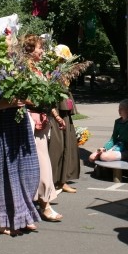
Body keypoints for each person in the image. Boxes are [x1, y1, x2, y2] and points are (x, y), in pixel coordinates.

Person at [0, 38, 41, 236]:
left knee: (27, 169)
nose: (12, 44)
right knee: (2, 173)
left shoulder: (19, 67)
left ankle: (23, 214)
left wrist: (28, 99)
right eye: (7, 41)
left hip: (19, 124)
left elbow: (32, 97)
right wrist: (5, 103)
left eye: (13, 40)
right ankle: (0, 219)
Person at [23, 34, 63, 223]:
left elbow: (46, 97)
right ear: (30, 49)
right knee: (38, 163)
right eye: (39, 47)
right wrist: (36, 105)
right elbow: (23, 97)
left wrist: (56, 115)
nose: (42, 51)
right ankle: (44, 205)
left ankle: (41, 202)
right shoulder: (23, 70)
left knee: (41, 161)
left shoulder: (38, 70)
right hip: (30, 120)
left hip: (42, 120)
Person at [48, 44, 80, 195]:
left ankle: (62, 180)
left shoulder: (61, 72)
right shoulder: (54, 73)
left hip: (64, 113)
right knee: (58, 146)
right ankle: (56, 180)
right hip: (57, 113)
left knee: (67, 145)